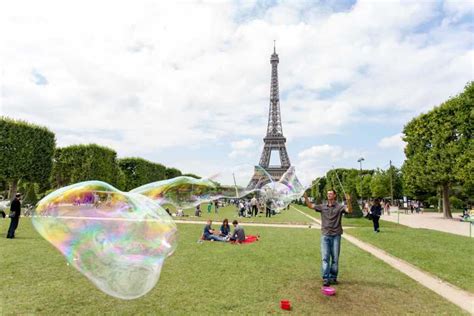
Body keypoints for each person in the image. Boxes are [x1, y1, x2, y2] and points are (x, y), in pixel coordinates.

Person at [304, 189, 352, 287]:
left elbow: (349, 210)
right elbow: (310, 206)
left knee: (335, 258)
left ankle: (333, 277)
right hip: (325, 235)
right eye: (328, 193)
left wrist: (349, 201)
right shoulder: (322, 206)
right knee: (325, 257)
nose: (329, 195)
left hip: (336, 235)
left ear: (335, 195)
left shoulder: (339, 207)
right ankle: (326, 278)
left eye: (331, 193)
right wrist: (305, 197)